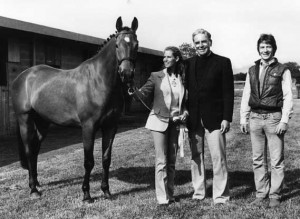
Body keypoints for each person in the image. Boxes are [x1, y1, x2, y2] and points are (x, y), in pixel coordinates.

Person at [129, 46, 188, 206]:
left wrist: (185, 113)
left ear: (176, 59)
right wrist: (132, 89)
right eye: (164, 57)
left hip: (176, 124)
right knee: (161, 160)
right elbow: (142, 94)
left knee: (172, 161)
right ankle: (162, 198)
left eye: (169, 57)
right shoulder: (156, 76)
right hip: (159, 122)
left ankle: (170, 194)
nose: (165, 59)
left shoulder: (182, 78)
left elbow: (184, 101)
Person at [240, 34, 293, 208]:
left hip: (273, 119)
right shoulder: (252, 70)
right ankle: (261, 193)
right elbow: (247, 94)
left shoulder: (283, 69)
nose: (265, 50)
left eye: (268, 47)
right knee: (258, 159)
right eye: (262, 47)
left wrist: (284, 120)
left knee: (276, 160)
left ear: (273, 49)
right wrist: (244, 117)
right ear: (258, 49)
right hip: (255, 117)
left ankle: (275, 195)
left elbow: (287, 96)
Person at [185, 29, 234, 205]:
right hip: (194, 119)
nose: (200, 45)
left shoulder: (222, 62)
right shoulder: (187, 64)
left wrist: (226, 117)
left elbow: (228, 93)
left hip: (215, 119)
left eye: (203, 42)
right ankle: (198, 192)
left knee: (218, 157)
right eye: (197, 43)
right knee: (196, 157)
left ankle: (220, 195)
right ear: (194, 45)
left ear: (210, 42)